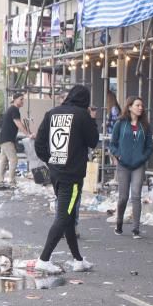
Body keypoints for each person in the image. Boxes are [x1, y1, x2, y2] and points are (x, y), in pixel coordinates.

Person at [33, 84, 100, 273]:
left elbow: (39, 143)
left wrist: (51, 161)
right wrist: (92, 118)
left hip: (56, 172)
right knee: (64, 217)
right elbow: (93, 141)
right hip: (72, 175)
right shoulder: (82, 115)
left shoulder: (52, 113)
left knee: (69, 216)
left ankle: (78, 260)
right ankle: (44, 259)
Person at [110, 96, 153, 239]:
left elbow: (149, 147)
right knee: (123, 198)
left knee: (136, 196)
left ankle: (136, 229)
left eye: (142, 105)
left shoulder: (145, 126)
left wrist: (143, 157)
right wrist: (119, 156)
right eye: (138, 105)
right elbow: (113, 144)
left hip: (138, 166)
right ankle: (119, 223)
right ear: (129, 107)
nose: (141, 107)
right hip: (123, 166)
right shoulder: (120, 123)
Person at [0, 93, 30, 189]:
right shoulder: (14, 110)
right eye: (21, 99)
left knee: (4, 160)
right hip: (7, 139)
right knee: (14, 160)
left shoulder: (11, 109)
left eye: (23, 99)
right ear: (14, 99)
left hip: (4, 138)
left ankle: (0, 181)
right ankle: (12, 182)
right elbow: (18, 123)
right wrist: (28, 134)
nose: (22, 101)